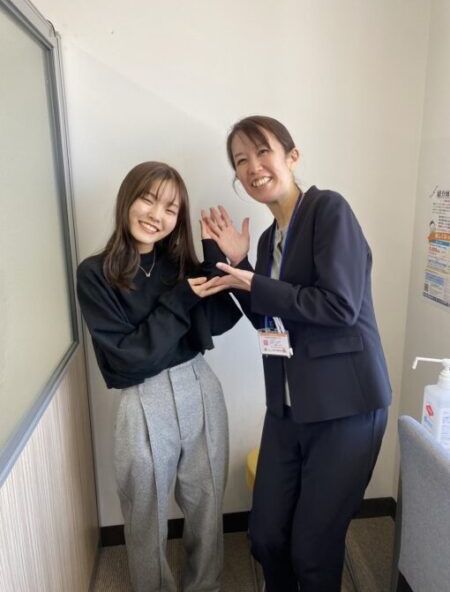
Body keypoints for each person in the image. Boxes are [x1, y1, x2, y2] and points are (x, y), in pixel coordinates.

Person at [202, 116, 391, 592]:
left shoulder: (329, 210)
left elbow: (340, 306)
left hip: (346, 407)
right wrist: (242, 266)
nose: (253, 167)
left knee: (312, 552)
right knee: (266, 536)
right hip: (288, 408)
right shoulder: (269, 241)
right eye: (240, 161)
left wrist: (256, 281)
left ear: (292, 156)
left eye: (262, 151)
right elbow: (270, 320)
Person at [77, 161, 241, 592]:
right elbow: (127, 359)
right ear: (127, 200)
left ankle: (205, 585)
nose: (156, 215)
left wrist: (216, 259)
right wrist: (180, 300)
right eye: (148, 200)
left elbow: (220, 322)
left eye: (170, 208)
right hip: (141, 399)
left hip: (199, 386)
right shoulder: (95, 273)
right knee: (144, 512)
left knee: (207, 503)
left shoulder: (180, 265)